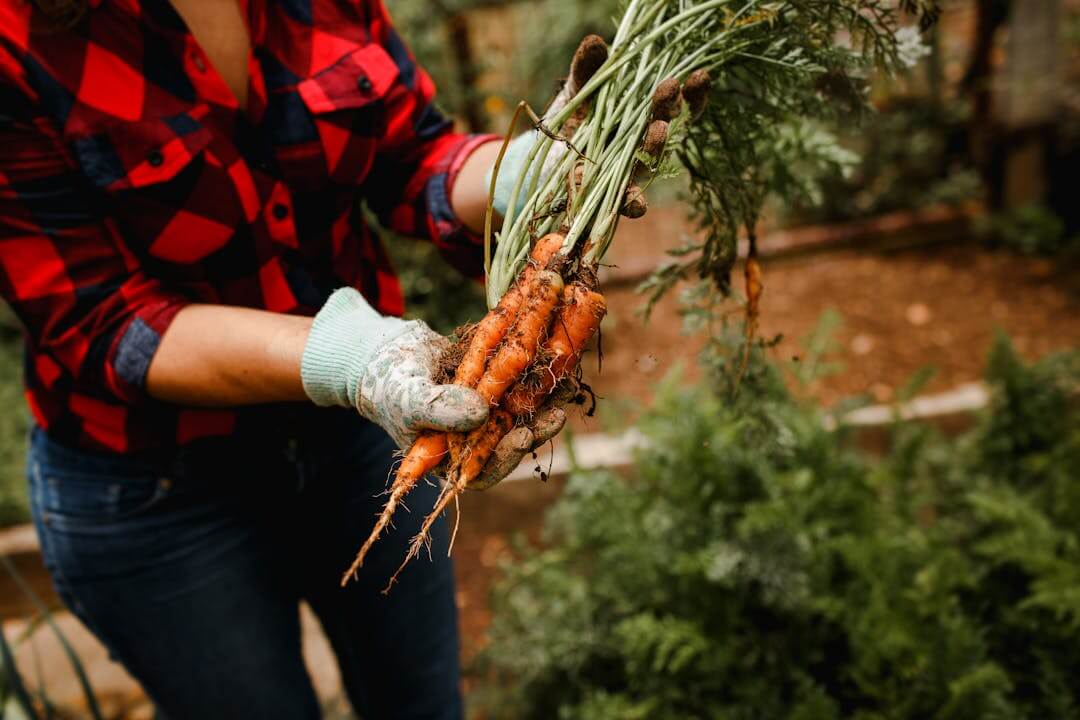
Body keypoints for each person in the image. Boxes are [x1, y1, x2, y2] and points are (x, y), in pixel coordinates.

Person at [0, 1, 635, 717]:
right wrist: (348, 357)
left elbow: (409, 154)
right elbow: (104, 320)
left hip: (360, 440)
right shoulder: (17, 40)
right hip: (158, 490)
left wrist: (519, 173)